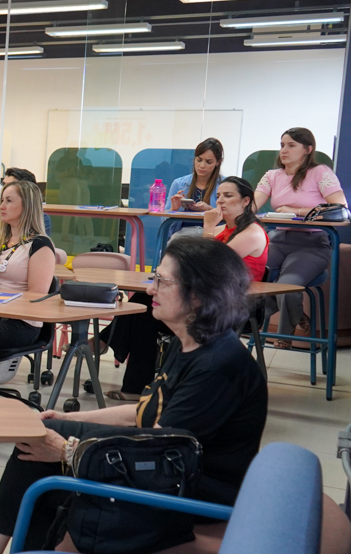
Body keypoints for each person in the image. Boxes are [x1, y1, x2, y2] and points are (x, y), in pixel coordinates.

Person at [0, 237, 267, 554]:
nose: (150, 288)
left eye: (162, 281)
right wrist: (65, 421)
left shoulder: (218, 366)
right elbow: (144, 413)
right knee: (40, 437)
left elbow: (163, 452)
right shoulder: (188, 342)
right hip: (166, 463)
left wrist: (69, 450)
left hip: (192, 487)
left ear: (199, 295)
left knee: (50, 457)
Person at [99, 176, 269, 401]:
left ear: (246, 201)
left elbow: (209, 265)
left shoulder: (252, 233)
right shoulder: (224, 229)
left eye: (228, 196)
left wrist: (208, 227)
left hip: (228, 307)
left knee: (145, 311)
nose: (220, 201)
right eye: (219, 196)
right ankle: (126, 376)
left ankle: (106, 345)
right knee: (145, 302)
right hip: (203, 298)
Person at [254, 127, 346, 345]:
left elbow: (340, 207)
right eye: (282, 145)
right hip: (278, 239)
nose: (284, 150)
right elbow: (252, 206)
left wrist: (296, 211)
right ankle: (293, 313)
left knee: (287, 286)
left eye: (291, 145)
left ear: (308, 149)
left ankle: (285, 335)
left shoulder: (320, 172)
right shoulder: (272, 176)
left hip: (312, 244)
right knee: (247, 278)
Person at [0, 180, 54, 360]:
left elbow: (35, 297)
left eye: (9, 201)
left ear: (27, 206)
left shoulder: (40, 245)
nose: (1, 206)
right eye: (2, 200)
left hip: (21, 323)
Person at [0, 167, 52, 259]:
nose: (4, 189)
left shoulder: (41, 220)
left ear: (26, 196)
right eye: (3, 185)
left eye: (9, 200)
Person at [168, 138, 225, 213]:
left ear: (218, 162)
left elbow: (231, 217)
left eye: (209, 162)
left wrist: (210, 210)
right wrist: (174, 209)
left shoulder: (225, 185)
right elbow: (164, 218)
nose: (202, 165)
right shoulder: (178, 184)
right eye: (199, 160)